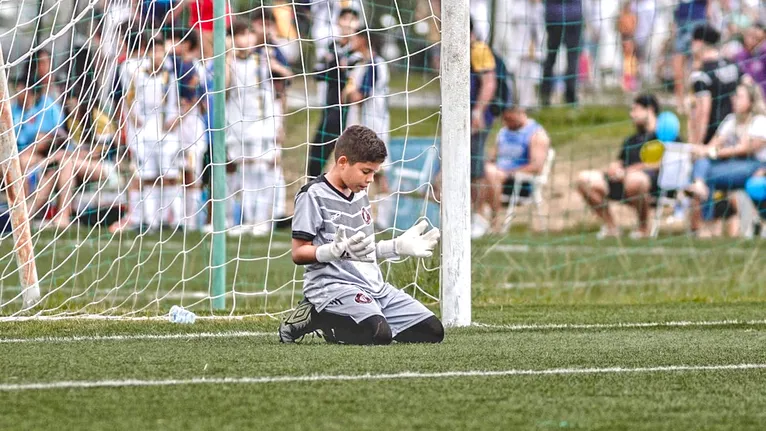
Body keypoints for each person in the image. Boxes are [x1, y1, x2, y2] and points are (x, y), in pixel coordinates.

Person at [280, 125, 444, 345]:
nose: (370, 179)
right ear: (342, 162)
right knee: (379, 334)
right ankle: (315, 315)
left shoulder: (359, 193)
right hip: (333, 288)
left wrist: (396, 247)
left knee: (433, 331)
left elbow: (363, 251)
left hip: (374, 288)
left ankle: (361, 315)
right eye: (366, 171)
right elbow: (298, 253)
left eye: (374, 173)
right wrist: (331, 251)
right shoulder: (312, 195)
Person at [576, 94, 663, 238]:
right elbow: (621, 160)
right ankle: (611, 227)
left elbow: (660, 163)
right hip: (622, 181)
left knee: (635, 180)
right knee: (584, 179)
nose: (631, 114)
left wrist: (628, 172)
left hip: (649, 184)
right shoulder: (631, 139)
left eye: (635, 110)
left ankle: (643, 228)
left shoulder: (663, 135)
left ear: (650, 110)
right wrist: (614, 167)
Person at [686, 81, 766, 237]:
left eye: (739, 96)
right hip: (732, 165)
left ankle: (705, 225)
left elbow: (745, 149)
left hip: (756, 166)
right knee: (703, 164)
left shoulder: (760, 122)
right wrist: (700, 150)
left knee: (706, 171)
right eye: (734, 96)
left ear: (751, 101)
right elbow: (713, 145)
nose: (734, 99)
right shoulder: (730, 120)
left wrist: (712, 152)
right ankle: (699, 184)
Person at [120, 33, 182, 231]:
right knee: (146, 176)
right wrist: (134, 118)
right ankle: (149, 220)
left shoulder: (169, 75)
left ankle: (174, 219)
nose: (157, 55)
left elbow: (175, 102)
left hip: (165, 131)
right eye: (154, 51)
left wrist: (173, 122)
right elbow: (128, 99)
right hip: (144, 130)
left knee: (169, 173)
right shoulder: (137, 75)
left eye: (160, 51)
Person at [225, 20, 278, 237]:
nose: (245, 39)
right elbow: (224, 88)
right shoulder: (227, 62)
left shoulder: (263, 59)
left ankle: (262, 219)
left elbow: (284, 79)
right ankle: (242, 219)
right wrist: (228, 56)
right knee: (240, 173)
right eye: (240, 35)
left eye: (249, 34)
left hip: (260, 122)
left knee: (260, 169)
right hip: (236, 122)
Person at [343, 25, 394, 229]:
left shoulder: (374, 64)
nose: (351, 40)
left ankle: (383, 219)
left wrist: (349, 92)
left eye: (355, 36)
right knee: (361, 172)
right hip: (362, 125)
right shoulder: (360, 64)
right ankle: (362, 216)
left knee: (378, 172)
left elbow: (358, 96)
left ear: (364, 39)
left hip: (374, 126)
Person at [307, 8, 362, 178]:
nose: (347, 23)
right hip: (331, 107)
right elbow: (318, 73)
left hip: (350, 110)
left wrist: (335, 67)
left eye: (352, 19)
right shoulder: (332, 47)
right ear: (338, 22)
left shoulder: (359, 52)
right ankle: (313, 186)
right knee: (317, 153)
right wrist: (334, 67)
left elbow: (353, 76)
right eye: (344, 18)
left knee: (350, 156)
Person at [483, 106, 550, 233]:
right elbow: (493, 157)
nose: (506, 123)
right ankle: (476, 220)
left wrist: (508, 173)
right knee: (480, 171)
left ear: (520, 112)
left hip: (521, 183)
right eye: (504, 119)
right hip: (493, 176)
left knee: (491, 173)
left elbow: (537, 167)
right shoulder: (503, 132)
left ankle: (493, 224)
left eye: (509, 119)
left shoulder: (536, 134)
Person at [689, 23, 741, 146]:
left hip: (713, 138)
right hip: (735, 134)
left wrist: (697, 144)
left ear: (699, 43)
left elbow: (703, 112)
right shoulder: (732, 65)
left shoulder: (701, 74)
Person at [469, 20, 496, 231]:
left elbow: (489, 82)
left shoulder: (479, 49)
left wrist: (478, 111)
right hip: (458, 119)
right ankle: (468, 213)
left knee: (477, 169)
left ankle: (480, 216)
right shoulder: (453, 49)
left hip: (476, 119)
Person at [540, 0, 583, 106]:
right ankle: (570, 96)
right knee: (571, 57)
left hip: (555, 16)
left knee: (552, 56)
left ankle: (546, 95)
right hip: (572, 16)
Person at [672, 0, 709, 112]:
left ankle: (695, 100)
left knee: (697, 64)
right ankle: (680, 102)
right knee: (678, 64)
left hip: (697, 20)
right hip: (681, 20)